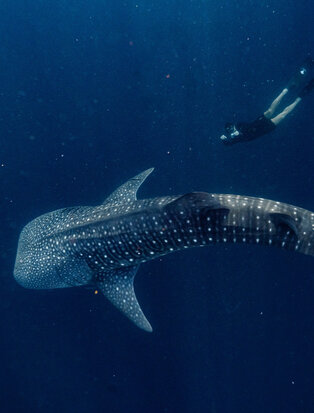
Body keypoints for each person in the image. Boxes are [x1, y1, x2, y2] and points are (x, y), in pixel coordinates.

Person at [220, 57, 314, 145]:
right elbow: (230, 143)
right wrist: (226, 140)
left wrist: (238, 132)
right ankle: (304, 92)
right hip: (266, 128)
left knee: (271, 110)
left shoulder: (239, 125)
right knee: (284, 113)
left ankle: (288, 88)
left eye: (231, 128)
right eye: (230, 130)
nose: (232, 130)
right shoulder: (237, 139)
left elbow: (246, 127)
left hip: (259, 122)